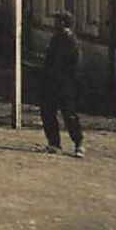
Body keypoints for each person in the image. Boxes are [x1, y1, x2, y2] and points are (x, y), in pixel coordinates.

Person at [41, 12, 85, 157]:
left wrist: (71, 83)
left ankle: (78, 144)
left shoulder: (71, 41)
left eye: (57, 21)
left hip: (66, 84)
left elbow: (75, 65)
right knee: (47, 112)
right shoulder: (56, 38)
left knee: (70, 115)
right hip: (51, 83)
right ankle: (54, 143)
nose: (54, 24)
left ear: (63, 23)